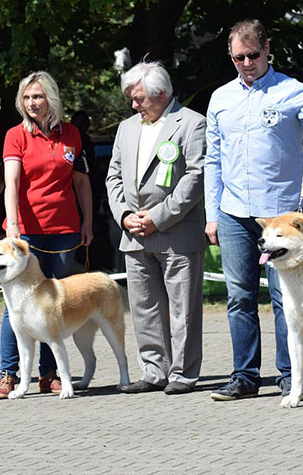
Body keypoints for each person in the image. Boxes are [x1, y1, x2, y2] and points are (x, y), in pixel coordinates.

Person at [205, 19, 303, 401]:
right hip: (233, 211)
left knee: (286, 300)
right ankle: (244, 377)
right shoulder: (221, 98)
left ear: (268, 50)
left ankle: (290, 376)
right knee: (239, 297)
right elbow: (212, 160)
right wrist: (211, 214)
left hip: (280, 214)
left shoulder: (293, 91)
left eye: (252, 55)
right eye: (238, 57)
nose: (246, 63)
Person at [105, 61, 206, 395]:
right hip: (134, 234)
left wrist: (159, 216)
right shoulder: (126, 128)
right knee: (144, 308)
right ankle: (153, 371)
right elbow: (113, 176)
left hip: (177, 232)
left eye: (139, 99)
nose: (134, 105)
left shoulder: (192, 123)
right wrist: (124, 216)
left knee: (182, 309)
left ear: (161, 93)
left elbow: (195, 177)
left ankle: (183, 373)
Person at [0, 71, 93, 399]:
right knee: (16, 306)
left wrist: (87, 222)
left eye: (37, 96)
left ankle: (48, 373)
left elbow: (81, 182)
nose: (32, 103)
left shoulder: (72, 135)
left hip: (64, 231)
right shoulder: (15, 136)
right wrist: (12, 224)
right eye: (26, 98)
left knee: (53, 305)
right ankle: (9, 373)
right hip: (26, 234)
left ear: (51, 98)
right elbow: (12, 183)